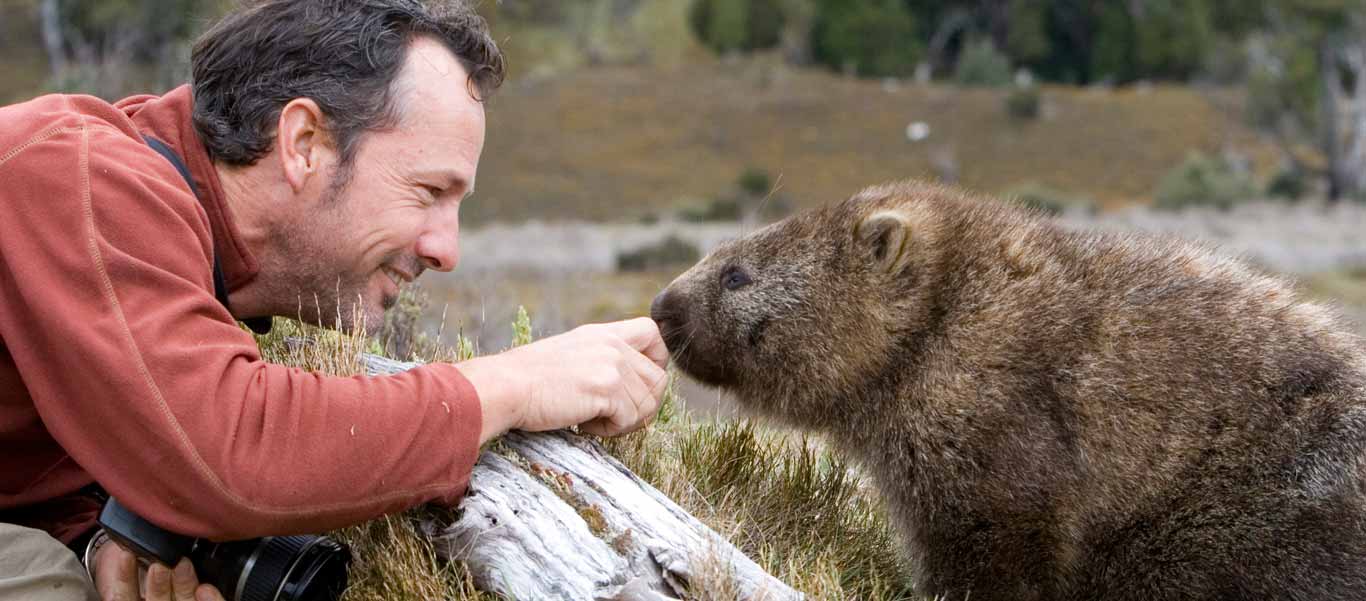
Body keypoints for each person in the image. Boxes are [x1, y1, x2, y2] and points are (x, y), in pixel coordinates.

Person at [0, 1, 669, 600]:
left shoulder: (174, 233)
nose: (446, 248)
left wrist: (100, 542)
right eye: (429, 192)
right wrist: (514, 383)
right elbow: (236, 451)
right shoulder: (80, 175)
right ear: (304, 145)